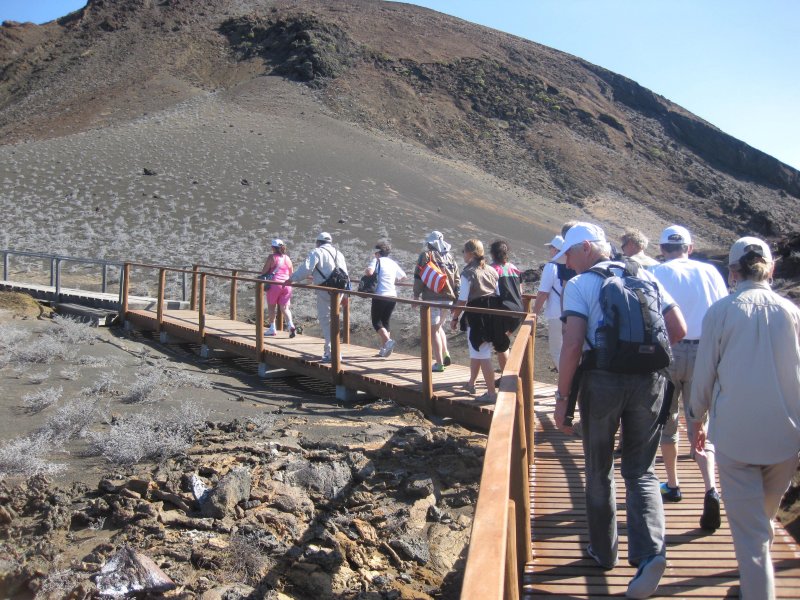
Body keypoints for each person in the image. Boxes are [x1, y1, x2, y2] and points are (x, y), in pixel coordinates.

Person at [553, 222, 686, 599]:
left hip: (602, 380)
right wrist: (645, 357)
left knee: (599, 468)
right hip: (650, 381)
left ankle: (604, 550)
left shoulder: (580, 286)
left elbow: (573, 345)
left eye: (569, 254)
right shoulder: (645, 276)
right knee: (641, 471)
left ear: (586, 249)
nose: (567, 262)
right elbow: (678, 328)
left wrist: (563, 400)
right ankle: (650, 554)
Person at [689, 237, 800, 600]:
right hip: (786, 437)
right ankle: (752, 584)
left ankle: (755, 589)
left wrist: (696, 419)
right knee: (761, 523)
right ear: (770, 268)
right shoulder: (791, 312)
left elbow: (704, 373)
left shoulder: (721, 312)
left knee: (752, 536)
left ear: (733, 272)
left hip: (736, 437)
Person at [652, 225, 728, 531]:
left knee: (666, 421)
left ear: (662, 248)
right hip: (704, 353)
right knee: (700, 423)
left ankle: (672, 483)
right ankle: (710, 486)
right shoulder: (709, 272)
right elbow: (722, 309)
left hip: (668, 351)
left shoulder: (656, 271)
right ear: (690, 247)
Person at [450, 239, 500, 402]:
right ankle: (471, 383)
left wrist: (455, 317)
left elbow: (463, 300)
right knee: (477, 351)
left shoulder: (468, 273)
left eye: (464, 251)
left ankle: (492, 393)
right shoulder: (492, 270)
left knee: (482, 354)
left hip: (476, 316)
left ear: (470, 253)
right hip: (491, 314)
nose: (463, 255)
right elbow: (497, 294)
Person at [287, 232, 349, 363]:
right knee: (335, 318)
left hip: (325, 289)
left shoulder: (317, 252)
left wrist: (292, 279)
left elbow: (306, 269)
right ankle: (332, 350)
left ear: (318, 242)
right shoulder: (339, 253)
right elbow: (346, 274)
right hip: (340, 289)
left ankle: (332, 352)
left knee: (326, 319)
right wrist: (347, 293)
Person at [413, 231, 460, 372]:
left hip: (432, 298)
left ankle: (439, 363)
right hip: (448, 299)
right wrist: (456, 298)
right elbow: (457, 279)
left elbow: (418, 277)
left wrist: (416, 296)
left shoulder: (426, 255)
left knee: (432, 330)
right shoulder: (450, 257)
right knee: (439, 327)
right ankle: (445, 354)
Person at [364, 241, 407, 357]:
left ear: (378, 253)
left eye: (375, 252)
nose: (374, 255)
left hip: (380, 295)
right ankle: (385, 350)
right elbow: (403, 277)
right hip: (392, 295)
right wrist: (392, 281)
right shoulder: (392, 263)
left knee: (376, 322)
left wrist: (366, 272)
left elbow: (369, 272)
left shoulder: (377, 261)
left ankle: (388, 342)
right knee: (385, 322)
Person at [489, 239, 523, 372]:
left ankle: (507, 377)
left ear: (492, 254)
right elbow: (520, 291)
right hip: (518, 309)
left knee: (500, 344)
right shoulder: (514, 268)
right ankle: (508, 374)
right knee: (504, 341)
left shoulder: (492, 270)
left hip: (503, 309)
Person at [532, 235, 565, 370]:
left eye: (551, 247)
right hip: (573, 312)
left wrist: (533, 314)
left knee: (557, 351)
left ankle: (568, 386)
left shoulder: (551, 267)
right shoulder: (572, 266)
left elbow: (543, 293)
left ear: (556, 249)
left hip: (556, 313)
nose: (549, 250)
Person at [259, 239, 296, 338]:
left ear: (273, 248)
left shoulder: (272, 257)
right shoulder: (287, 258)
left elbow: (264, 271)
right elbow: (291, 272)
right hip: (287, 285)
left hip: (275, 284)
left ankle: (272, 328)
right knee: (285, 308)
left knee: (271, 306)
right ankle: (291, 325)